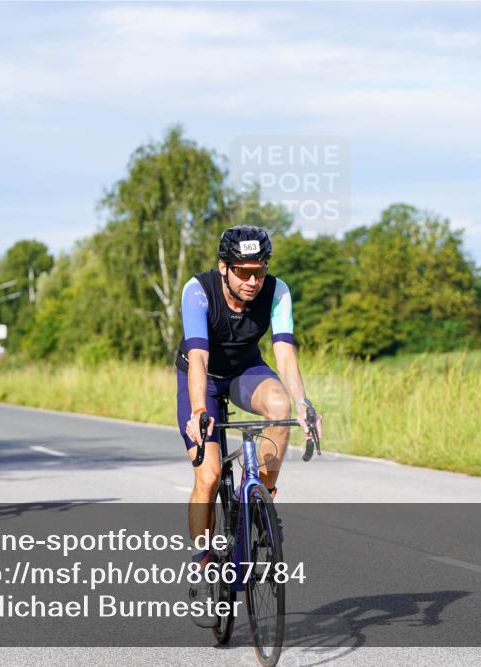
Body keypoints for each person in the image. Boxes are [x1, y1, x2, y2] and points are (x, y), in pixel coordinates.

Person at [176, 225, 322, 627]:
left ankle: (261, 499)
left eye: (259, 271)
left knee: (280, 405)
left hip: (245, 371)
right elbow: (199, 358)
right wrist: (198, 410)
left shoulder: (277, 292)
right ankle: (203, 562)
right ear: (224, 267)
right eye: (243, 272)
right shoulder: (198, 291)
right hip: (202, 378)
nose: (253, 281)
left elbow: (285, 355)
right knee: (208, 476)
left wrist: (303, 402)